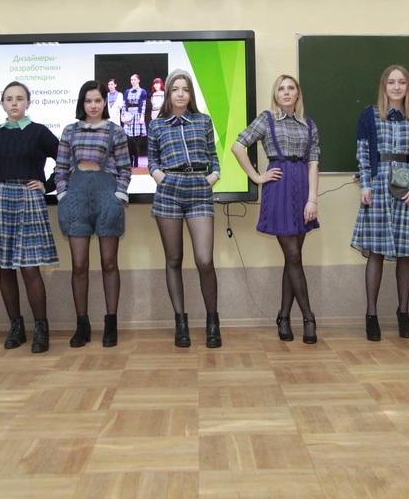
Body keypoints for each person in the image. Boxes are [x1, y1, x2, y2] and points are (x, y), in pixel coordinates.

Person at [0, 81, 61, 354]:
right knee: (5, 267)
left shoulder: (39, 132)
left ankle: (41, 328)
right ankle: (16, 327)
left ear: (28, 103)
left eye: (19, 98)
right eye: (9, 98)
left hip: (29, 202)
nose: (14, 103)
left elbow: (65, 159)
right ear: (2, 103)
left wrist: (46, 185)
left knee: (30, 268)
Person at [231, 74, 321, 344]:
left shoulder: (309, 125)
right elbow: (238, 146)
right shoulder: (267, 119)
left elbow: (313, 163)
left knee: (293, 258)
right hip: (279, 189)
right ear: (275, 95)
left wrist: (312, 199)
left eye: (291, 88)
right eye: (281, 89)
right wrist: (257, 177)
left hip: (303, 190)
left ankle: (283, 316)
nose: (286, 92)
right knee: (293, 255)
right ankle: (309, 317)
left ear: (298, 93)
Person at [350, 65, 409, 341]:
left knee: (405, 252)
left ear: (408, 87)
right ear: (384, 86)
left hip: (405, 181)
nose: (397, 87)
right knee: (376, 251)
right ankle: (371, 314)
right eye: (391, 82)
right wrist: (365, 183)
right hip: (379, 182)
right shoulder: (370, 115)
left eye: (402, 82)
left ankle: (403, 312)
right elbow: (363, 152)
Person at [148, 69, 222, 348]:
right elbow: (152, 160)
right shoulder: (157, 125)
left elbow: (214, 156)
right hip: (169, 191)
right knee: (174, 259)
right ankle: (181, 323)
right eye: (175, 89)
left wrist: (212, 177)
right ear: (168, 93)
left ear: (191, 94)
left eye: (185, 89)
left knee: (204, 260)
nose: (180, 94)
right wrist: (161, 178)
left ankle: (213, 322)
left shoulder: (203, 120)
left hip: (199, 190)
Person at [55, 81, 132, 348]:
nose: (93, 105)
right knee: (79, 265)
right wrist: (63, 195)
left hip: (106, 197)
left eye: (98, 100)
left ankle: (111, 324)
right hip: (76, 198)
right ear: (82, 103)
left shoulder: (115, 131)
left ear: (104, 102)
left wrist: (118, 196)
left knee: (109, 263)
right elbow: (60, 169)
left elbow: (125, 169)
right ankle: (82, 325)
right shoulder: (69, 131)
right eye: (88, 101)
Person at [123, 73, 149, 165]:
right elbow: (124, 104)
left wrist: (142, 116)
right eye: (131, 80)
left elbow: (143, 105)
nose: (133, 81)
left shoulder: (142, 91)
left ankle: (137, 159)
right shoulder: (127, 91)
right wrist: (123, 115)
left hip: (137, 114)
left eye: (134, 80)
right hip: (129, 114)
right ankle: (130, 158)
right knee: (128, 137)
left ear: (138, 80)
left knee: (137, 138)